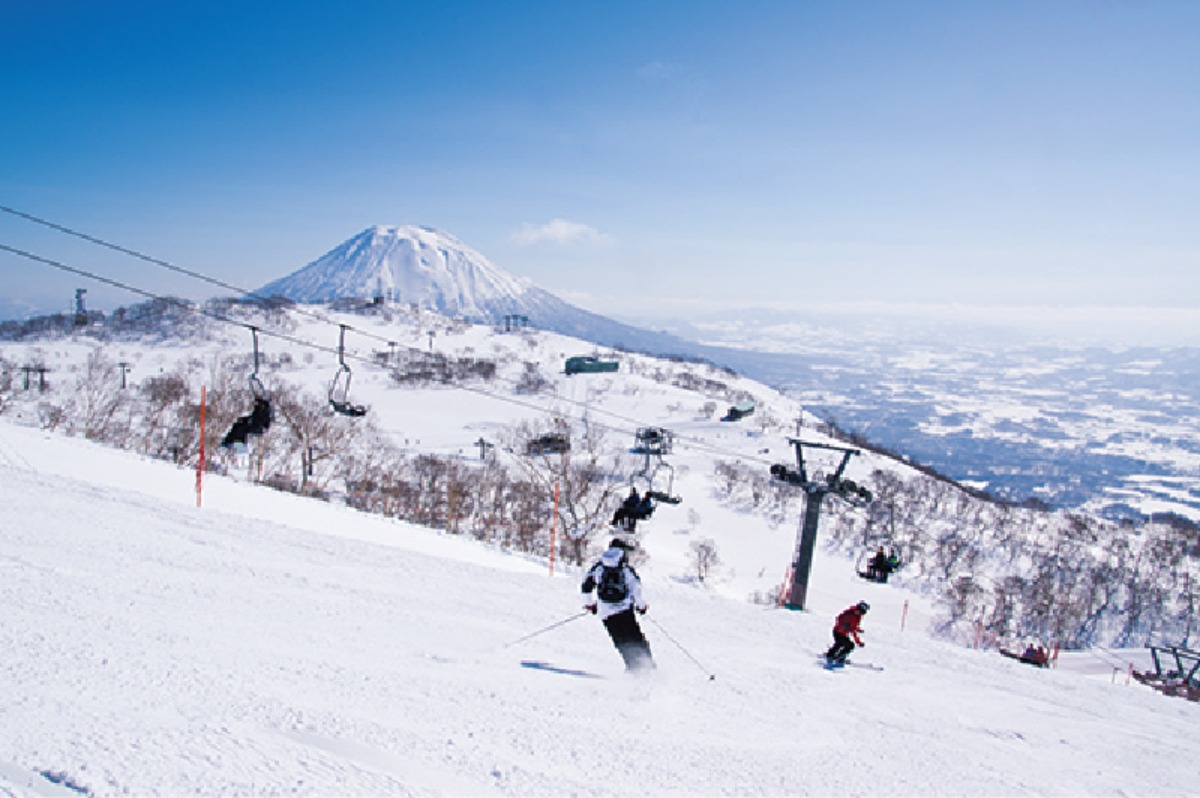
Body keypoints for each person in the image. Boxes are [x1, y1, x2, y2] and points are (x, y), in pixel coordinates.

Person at [581, 538, 654, 672]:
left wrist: (590, 605)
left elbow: (586, 587)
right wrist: (641, 607)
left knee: (620, 641)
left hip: (606, 612)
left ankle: (632, 668)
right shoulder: (626, 570)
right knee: (635, 637)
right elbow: (636, 590)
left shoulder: (598, 568)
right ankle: (648, 666)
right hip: (625, 610)